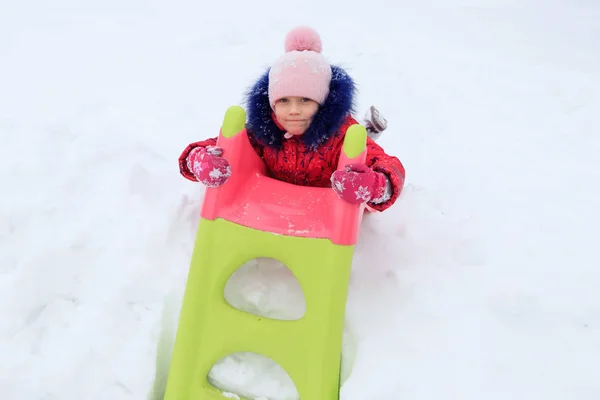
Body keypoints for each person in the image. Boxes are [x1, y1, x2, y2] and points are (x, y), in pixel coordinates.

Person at [178, 26, 405, 212]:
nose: (293, 110)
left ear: (322, 102)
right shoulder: (263, 131)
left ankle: (367, 129)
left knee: (359, 142)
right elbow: (216, 147)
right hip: (281, 203)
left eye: (305, 100)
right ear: (272, 103)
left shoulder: (341, 135)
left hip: (324, 205)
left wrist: (374, 185)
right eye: (284, 101)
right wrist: (199, 160)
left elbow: (392, 169)